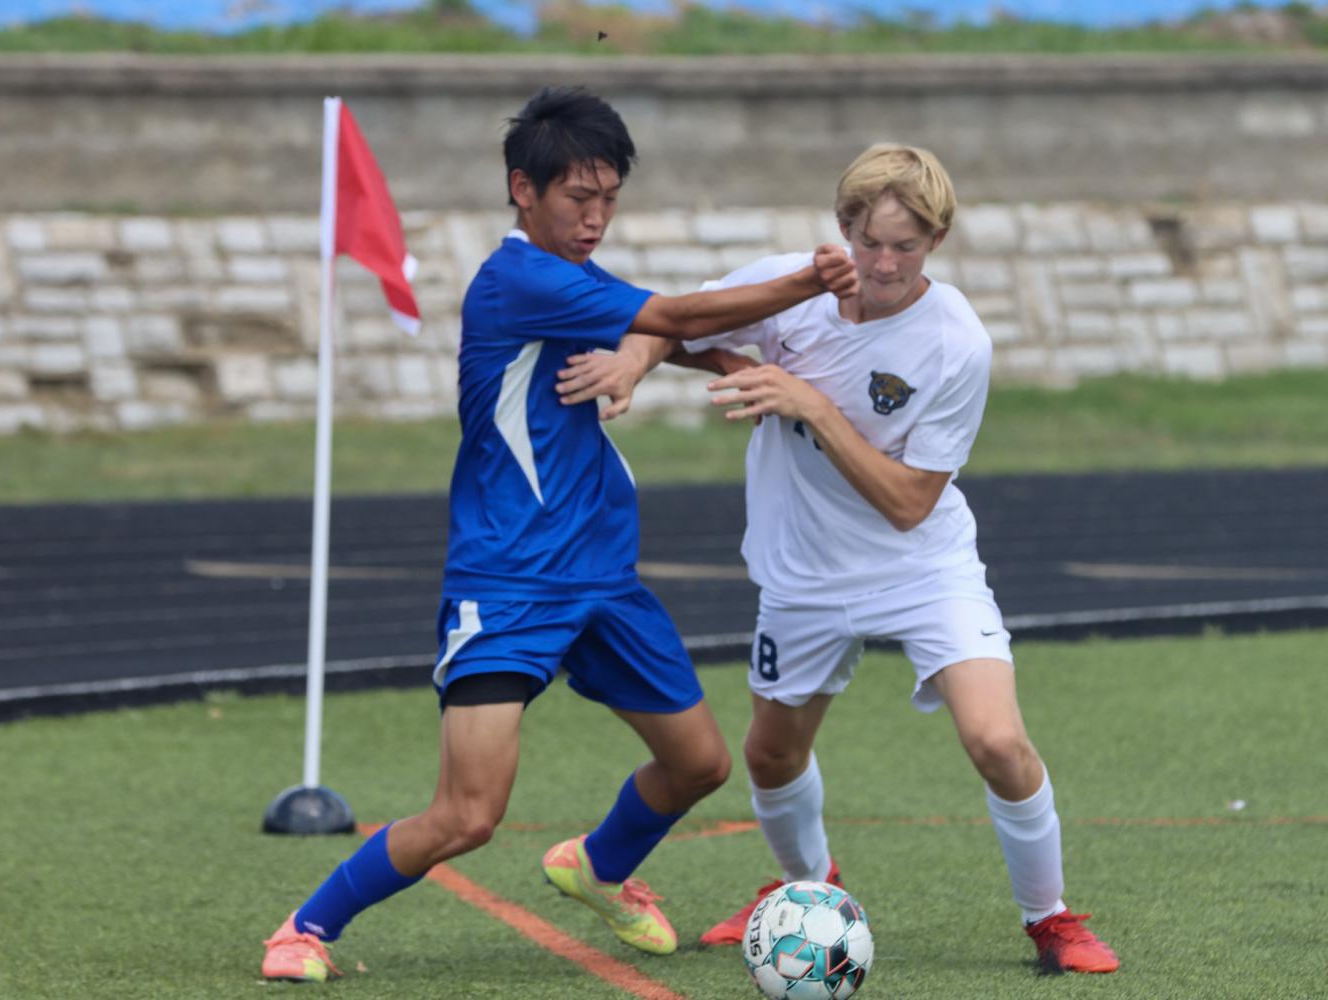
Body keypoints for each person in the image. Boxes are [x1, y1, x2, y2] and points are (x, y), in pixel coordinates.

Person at [259, 85, 861, 983]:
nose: (595, 218)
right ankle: (304, 928)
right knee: (468, 815)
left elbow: (655, 331)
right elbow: (675, 317)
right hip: (508, 582)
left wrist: (691, 356)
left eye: (609, 198)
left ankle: (598, 866)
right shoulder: (517, 278)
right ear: (522, 190)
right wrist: (811, 280)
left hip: (604, 581)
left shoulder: (570, 282)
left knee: (697, 762)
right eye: (579, 198)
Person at [556, 143, 1120, 975]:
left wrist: (807, 402)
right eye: (869, 241)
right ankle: (802, 889)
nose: (884, 264)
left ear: (936, 239)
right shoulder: (793, 286)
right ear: (842, 228)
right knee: (769, 753)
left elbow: (906, 502)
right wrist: (652, 364)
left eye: (907, 245)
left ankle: (1052, 919)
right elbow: (668, 323)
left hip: (920, 569)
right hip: (803, 573)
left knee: (997, 741)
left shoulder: (955, 343)